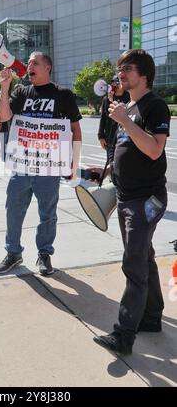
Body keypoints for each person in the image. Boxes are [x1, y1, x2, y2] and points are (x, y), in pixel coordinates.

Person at [90, 49, 171, 355]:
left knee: (133, 265)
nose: (120, 73)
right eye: (119, 68)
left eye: (128, 68)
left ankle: (124, 335)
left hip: (146, 200)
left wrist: (124, 119)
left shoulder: (155, 106)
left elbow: (153, 150)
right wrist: (109, 169)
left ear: (144, 74)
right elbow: (131, 150)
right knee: (144, 259)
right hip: (126, 197)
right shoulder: (130, 106)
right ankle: (150, 318)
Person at [0, 52, 82, 276]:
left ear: (48, 67)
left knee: (48, 214)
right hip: (22, 165)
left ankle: (44, 254)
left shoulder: (63, 94)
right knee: (13, 210)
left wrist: (75, 162)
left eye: (35, 63)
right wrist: (5, 88)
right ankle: (13, 253)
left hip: (49, 168)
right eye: (29, 62)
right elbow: (3, 117)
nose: (29, 65)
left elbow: (75, 129)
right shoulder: (22, 92)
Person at [97, 78, 130, 162]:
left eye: (117, 83)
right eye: (113, 84)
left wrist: (112, 101)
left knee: (123, 161)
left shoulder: (129, 96)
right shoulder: (106, 98)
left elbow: (123, 113)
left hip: (124, 135)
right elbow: (104, 117)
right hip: (110, 135)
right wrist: (101, 136)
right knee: (111, 161)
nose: (115, 85)